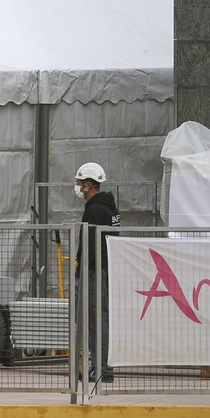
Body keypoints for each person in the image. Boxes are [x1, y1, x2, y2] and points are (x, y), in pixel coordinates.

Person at [73, 163, 119, 384]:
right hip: (105, 269)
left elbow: (90, 243)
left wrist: (82, 270)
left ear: (88, 184)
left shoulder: (94, 210)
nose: (77, 187)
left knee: (95, 320)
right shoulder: (110, 208)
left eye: (79, 183)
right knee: (102, 318)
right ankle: (103, 366)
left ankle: (99, 368)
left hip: (94, 273)